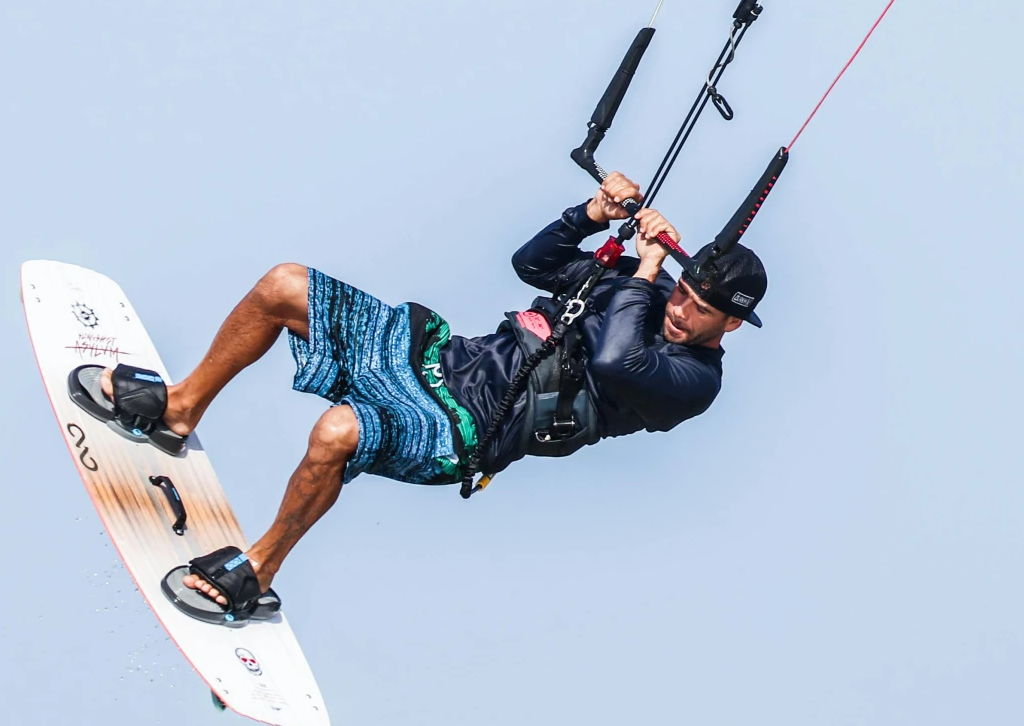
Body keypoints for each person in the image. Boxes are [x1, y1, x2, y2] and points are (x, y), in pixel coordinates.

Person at [69, 171, 767, 616]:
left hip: (468, 431)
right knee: (284, 285)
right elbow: (534, 263)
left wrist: (645, 267)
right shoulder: (636, 289)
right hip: (441, 359)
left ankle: (258, 566)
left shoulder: (695, 382)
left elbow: (616, 360)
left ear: (730, 323)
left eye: (702, 308)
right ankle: (179, 404)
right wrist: (591, 212)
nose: (683, 308)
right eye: (685, 290)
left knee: (338, 432)